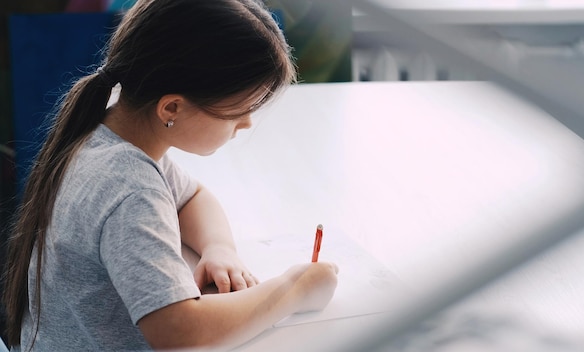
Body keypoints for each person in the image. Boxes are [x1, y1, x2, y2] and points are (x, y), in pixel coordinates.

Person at [1, 0, 339, 350]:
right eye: (237, 112)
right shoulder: (130, 189)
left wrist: (219, 248)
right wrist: (293, 289)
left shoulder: (110, 133)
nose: (246, 123)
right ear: (172, 108)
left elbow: (193, 197)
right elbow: (179, 333)